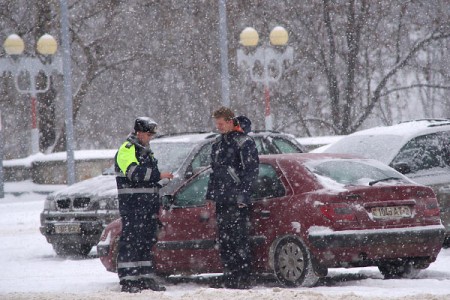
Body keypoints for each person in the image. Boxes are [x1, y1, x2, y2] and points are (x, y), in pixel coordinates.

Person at [114, 117, 174, 293]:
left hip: (147, 206)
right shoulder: (127, 149)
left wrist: (160, 183)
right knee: (131, 241)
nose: (150, 138)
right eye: (148, 134)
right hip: (133, 205)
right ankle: (128, 280)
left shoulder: (146, 150)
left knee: (145, 242)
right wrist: (158, 175)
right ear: (138, 132)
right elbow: (134, 173)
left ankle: (144, 277)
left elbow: (146, 181)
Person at [206, 107, 259, 289]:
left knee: (239, 239)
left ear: (230, 121)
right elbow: (215, 172)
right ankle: (230, 275)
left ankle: (243, 277)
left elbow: (250, 173)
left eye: (221, 124)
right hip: (222, 199)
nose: (218, 127)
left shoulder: (244, 142)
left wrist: (243, 195)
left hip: (237, 200)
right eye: (217, 124)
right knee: (225, 240)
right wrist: (210, 194)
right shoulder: (218, 144)